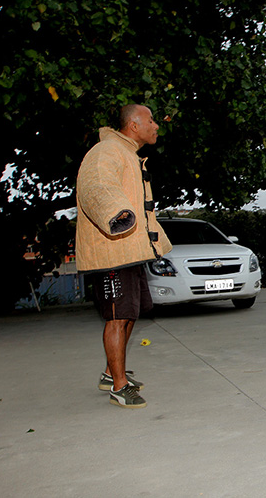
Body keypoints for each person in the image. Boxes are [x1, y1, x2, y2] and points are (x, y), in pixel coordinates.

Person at [76, 104, 172, 409]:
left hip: (130, 251)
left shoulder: (129, 154)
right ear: (133, 125)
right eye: (151, 120)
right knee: (117, 317)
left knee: (131, 312)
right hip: (112, 252)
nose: (156, 125)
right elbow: (96, 185)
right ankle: (119, 387)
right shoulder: (106, 151)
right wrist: (116, 213)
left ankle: (110, 373)